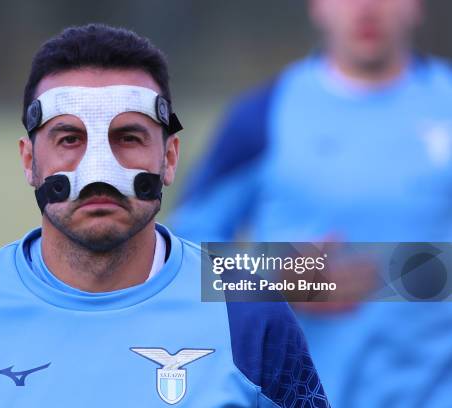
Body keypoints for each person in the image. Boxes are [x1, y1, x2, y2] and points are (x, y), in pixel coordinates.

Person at [0, 24, 328, 407]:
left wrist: (309, 276)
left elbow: (399, 273)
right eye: (69, 139)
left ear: (169, 158)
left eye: (128, 137)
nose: (99, 174)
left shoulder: (248, 310)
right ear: (29, 161)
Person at [170, 0, 452, 407]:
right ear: (316, 6)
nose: (367, 8)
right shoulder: (262, 115)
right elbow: (180, 256)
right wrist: (272, 279)